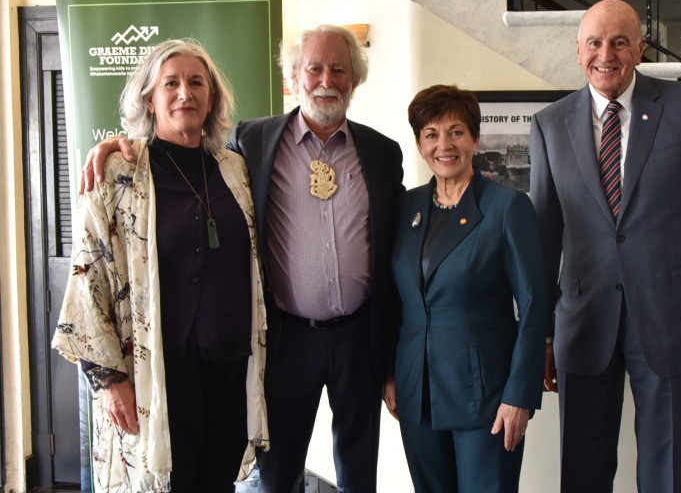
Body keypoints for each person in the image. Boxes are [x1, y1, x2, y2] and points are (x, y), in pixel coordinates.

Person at [80, 25, 404, 493]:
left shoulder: (376, 152)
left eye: (339, 69)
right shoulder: (252, 143)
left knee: (357, 473)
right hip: (279, 341)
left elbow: (393, 248)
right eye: (314, 68)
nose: (326, 79)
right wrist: (112, 143)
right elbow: (95, 271)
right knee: (276, 477)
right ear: (294, 76)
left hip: (346, 341)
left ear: (356, 79)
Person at [529, 0, 681, 492]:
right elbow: (543, 238)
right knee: (582, 473)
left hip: (675, 321)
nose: (606, 53)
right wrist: (542, 334)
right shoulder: (548, 125)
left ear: (640, 47)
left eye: (619, 41)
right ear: (577, 49)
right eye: (594, 42)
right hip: (582, 326)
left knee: (667, 475)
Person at [52, 38, 269, 493]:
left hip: (230, 366)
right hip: (157, 374)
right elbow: (88, 275)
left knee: (217, 482)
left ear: (212, 98)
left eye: (196, 83)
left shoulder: (236, 169)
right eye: (171, 84)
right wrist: (109, 379)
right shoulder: (117, 172)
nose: (185, 94)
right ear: (149, 99)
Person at [383, 84, 548, 493]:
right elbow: (391, 299)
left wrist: (520, 394)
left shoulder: (507, 208)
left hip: (487, 396)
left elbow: (534, 303)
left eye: (456, 132)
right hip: (416, 393)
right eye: (431, 134)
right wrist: (389, 373)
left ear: (475, 139)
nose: (445, 145)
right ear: (420, 145)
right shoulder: (405, 209)